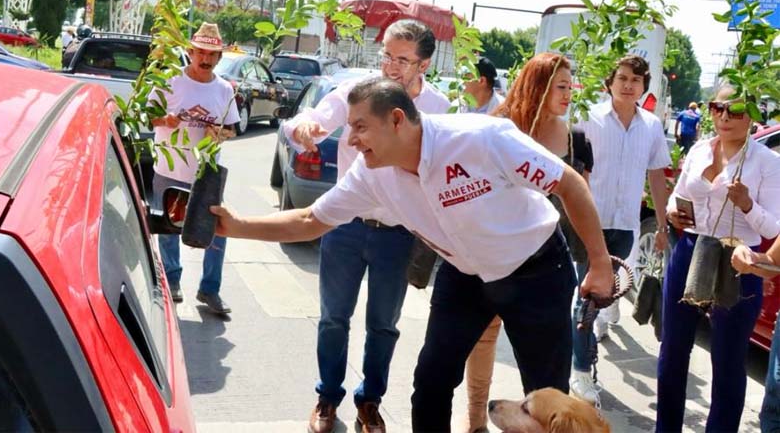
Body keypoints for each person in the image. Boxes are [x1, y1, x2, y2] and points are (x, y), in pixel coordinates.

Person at [211, 77, 614, 433]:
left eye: (360, 127)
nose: (350, 140)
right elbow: (309, 220)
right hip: (464, 275)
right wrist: (237, 225)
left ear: (398, 120)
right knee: (431, 383)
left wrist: (598, 264)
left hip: (536, 271)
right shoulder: (370, 174)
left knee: (546, 399)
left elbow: (570, 185)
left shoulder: (481, 139)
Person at [281, 19, 450, 433]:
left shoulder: (438, 109)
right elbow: (313, 117)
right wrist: (304, 127)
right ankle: (327, 397)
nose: (391, 67)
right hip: (345, 228)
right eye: (387, 56)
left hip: (397, 235)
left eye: (403, 60)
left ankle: (370, 401)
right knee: (333, 318)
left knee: (383, 325)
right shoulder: (358, 94)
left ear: (423, 65)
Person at [455, 52, 595, 433]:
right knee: (483, 340)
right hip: (494, 253)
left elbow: (583, 197)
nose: (568, 94)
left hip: (548, 262)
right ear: (537, 86)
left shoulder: (576, 137)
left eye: (570, 86)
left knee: (543, 357)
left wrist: (594, 258)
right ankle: (476, 422)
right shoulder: (499, 128)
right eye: (560, 86)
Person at [658, 86, 780, 432]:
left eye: (735, 110)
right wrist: (672, 212)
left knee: (728, 359)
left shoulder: (767, 162)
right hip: (692, 247)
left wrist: (746, 203)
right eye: (717, 107)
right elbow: (678, 196)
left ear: (753, 115)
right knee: (673, 349)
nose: (724, 116)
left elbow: (772, 225)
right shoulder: (699, 149)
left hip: (738, 257)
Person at [569, 54, 671, 405]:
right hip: (588, 221)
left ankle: (604, 310)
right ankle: (581, 371)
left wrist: (662, 223)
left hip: (625, 223)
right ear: (610, 82)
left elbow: (657, 174)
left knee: (606, 289)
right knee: (584, 295)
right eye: (623, 78)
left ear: (644, 87)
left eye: (637, 80)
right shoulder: (590, 118)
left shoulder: (652, 126)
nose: (629, 85)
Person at [149, 22, 240, 314]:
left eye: (212, 54)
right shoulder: (168, 82)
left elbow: (231, 130)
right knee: (168, 229)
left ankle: (209, 289)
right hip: (169, 168)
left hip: (205, 173)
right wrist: (165, 121)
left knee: (216, 231)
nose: (205, 59)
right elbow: (147, 117)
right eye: (200, 52)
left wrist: (220, 133)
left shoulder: (224, 89)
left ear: (219, 58)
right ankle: (172, 281)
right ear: (189, 52)